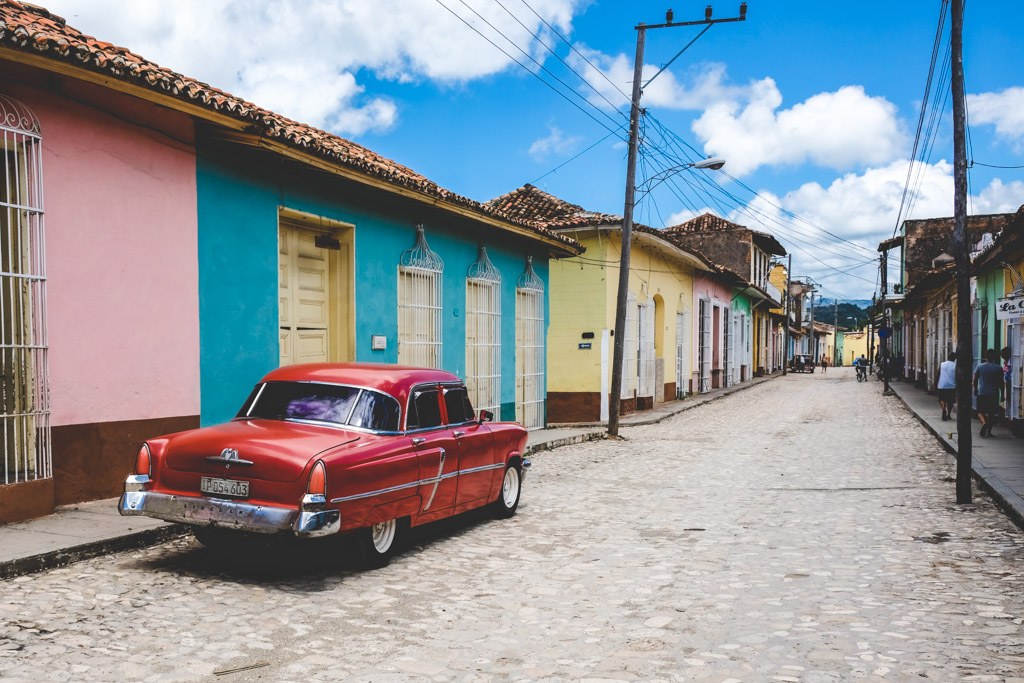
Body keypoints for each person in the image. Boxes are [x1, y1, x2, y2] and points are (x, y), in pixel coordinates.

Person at [973, 348, 1004, 437]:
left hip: (982, 392)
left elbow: (975, 380)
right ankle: (989, 431)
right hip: (993, 394)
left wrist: (975, 389)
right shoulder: (998, 368)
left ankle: (983, 423)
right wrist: (1002, 394)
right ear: (994, 357)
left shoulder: (980, 367)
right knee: (991, 413)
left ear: (985, 356)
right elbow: (1001, 382)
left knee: (979, 411)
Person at [936, 351, 957, 421]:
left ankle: (944, 409)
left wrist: (936, 383)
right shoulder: (955, 365)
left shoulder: (942, 364)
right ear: (955, 358)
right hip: (952, 386)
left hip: (942, 385)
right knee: (950, 401)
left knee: (942, 399)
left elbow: (938, 374)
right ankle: (949, 414)